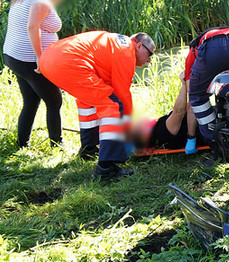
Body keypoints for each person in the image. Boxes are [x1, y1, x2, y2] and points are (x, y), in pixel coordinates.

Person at [39, 31, 155, 179]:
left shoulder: (118, 43)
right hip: (68, 62)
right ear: (139, 46)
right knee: (113, 105)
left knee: (89, 101)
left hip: (49, 59)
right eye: (150, 54)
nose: (149, 61)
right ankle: (106, 168)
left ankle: (89, 150)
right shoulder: (127, 54)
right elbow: (122, 95)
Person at [2, 0, 71, 148]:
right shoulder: (41, 0)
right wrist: (40, 57)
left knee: (31, 100)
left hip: (14, 56)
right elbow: (32, 26)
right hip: (28, 60)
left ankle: (22, 143)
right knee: (54, 100)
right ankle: (57, 145)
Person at [186, 26, 229, 145]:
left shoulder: (192, 53)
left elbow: (191, 99)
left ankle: (215, 142)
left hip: (212, 46)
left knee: (197, 99)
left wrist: (191, 137)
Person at [129, 75, 205, 152]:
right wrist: (184, 84)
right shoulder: (162, 132)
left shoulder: (160, 137)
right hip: (205, 124)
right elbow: (179, 112)